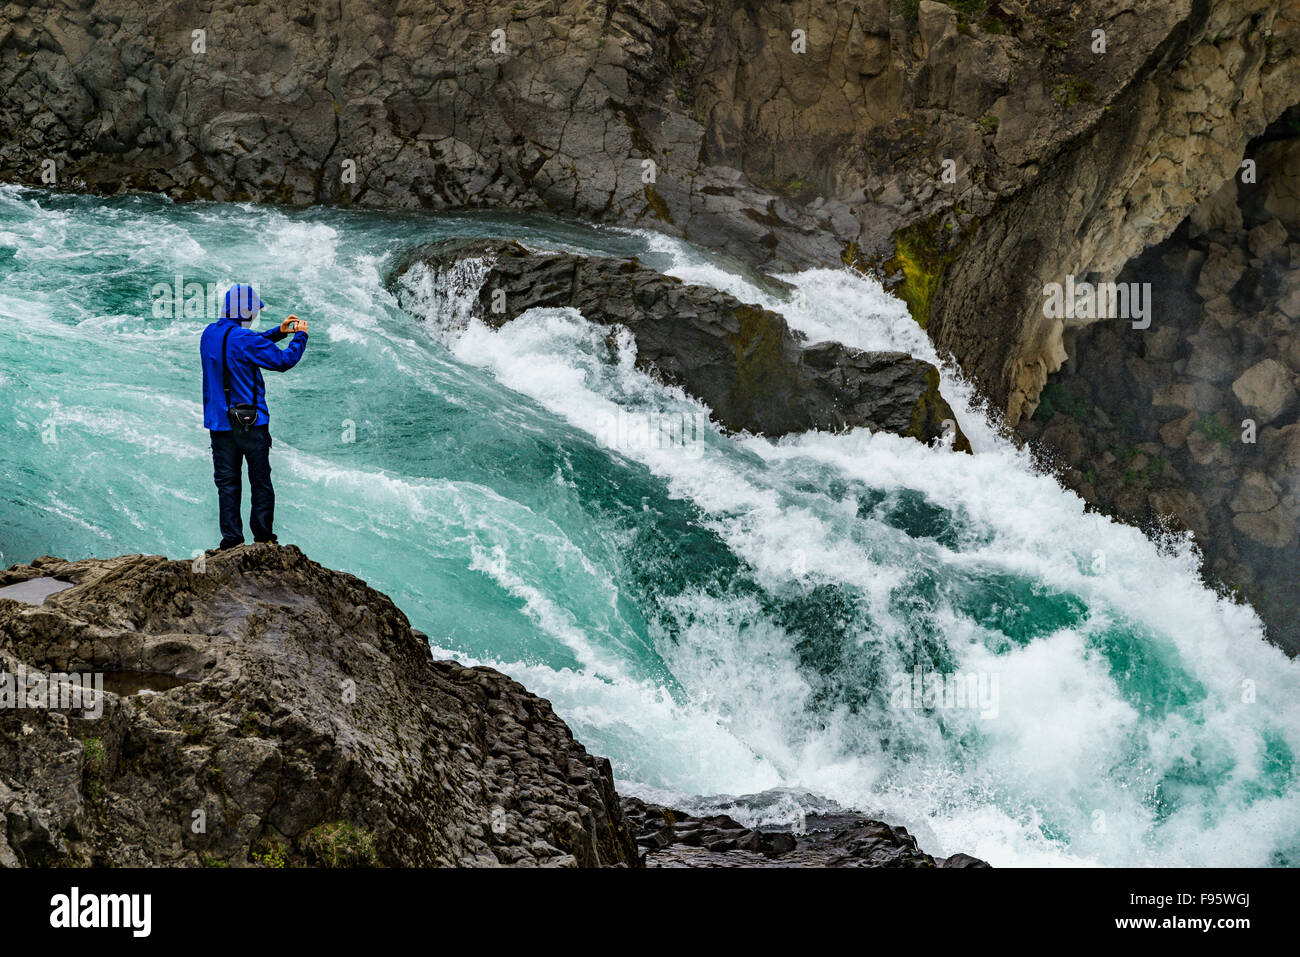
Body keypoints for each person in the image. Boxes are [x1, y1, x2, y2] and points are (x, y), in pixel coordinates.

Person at [199, 284, 309, 550]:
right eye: (254, 311)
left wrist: (278, 333)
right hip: (251, 424)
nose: (255, 316)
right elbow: (283, 362)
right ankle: (263, 538)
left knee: (227, 484)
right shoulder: (246, 340)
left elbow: (243, 346)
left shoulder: (208, 334)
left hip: (219, 424)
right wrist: (299, 336)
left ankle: (231, 541)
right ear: (245, 311)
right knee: (260, 481)